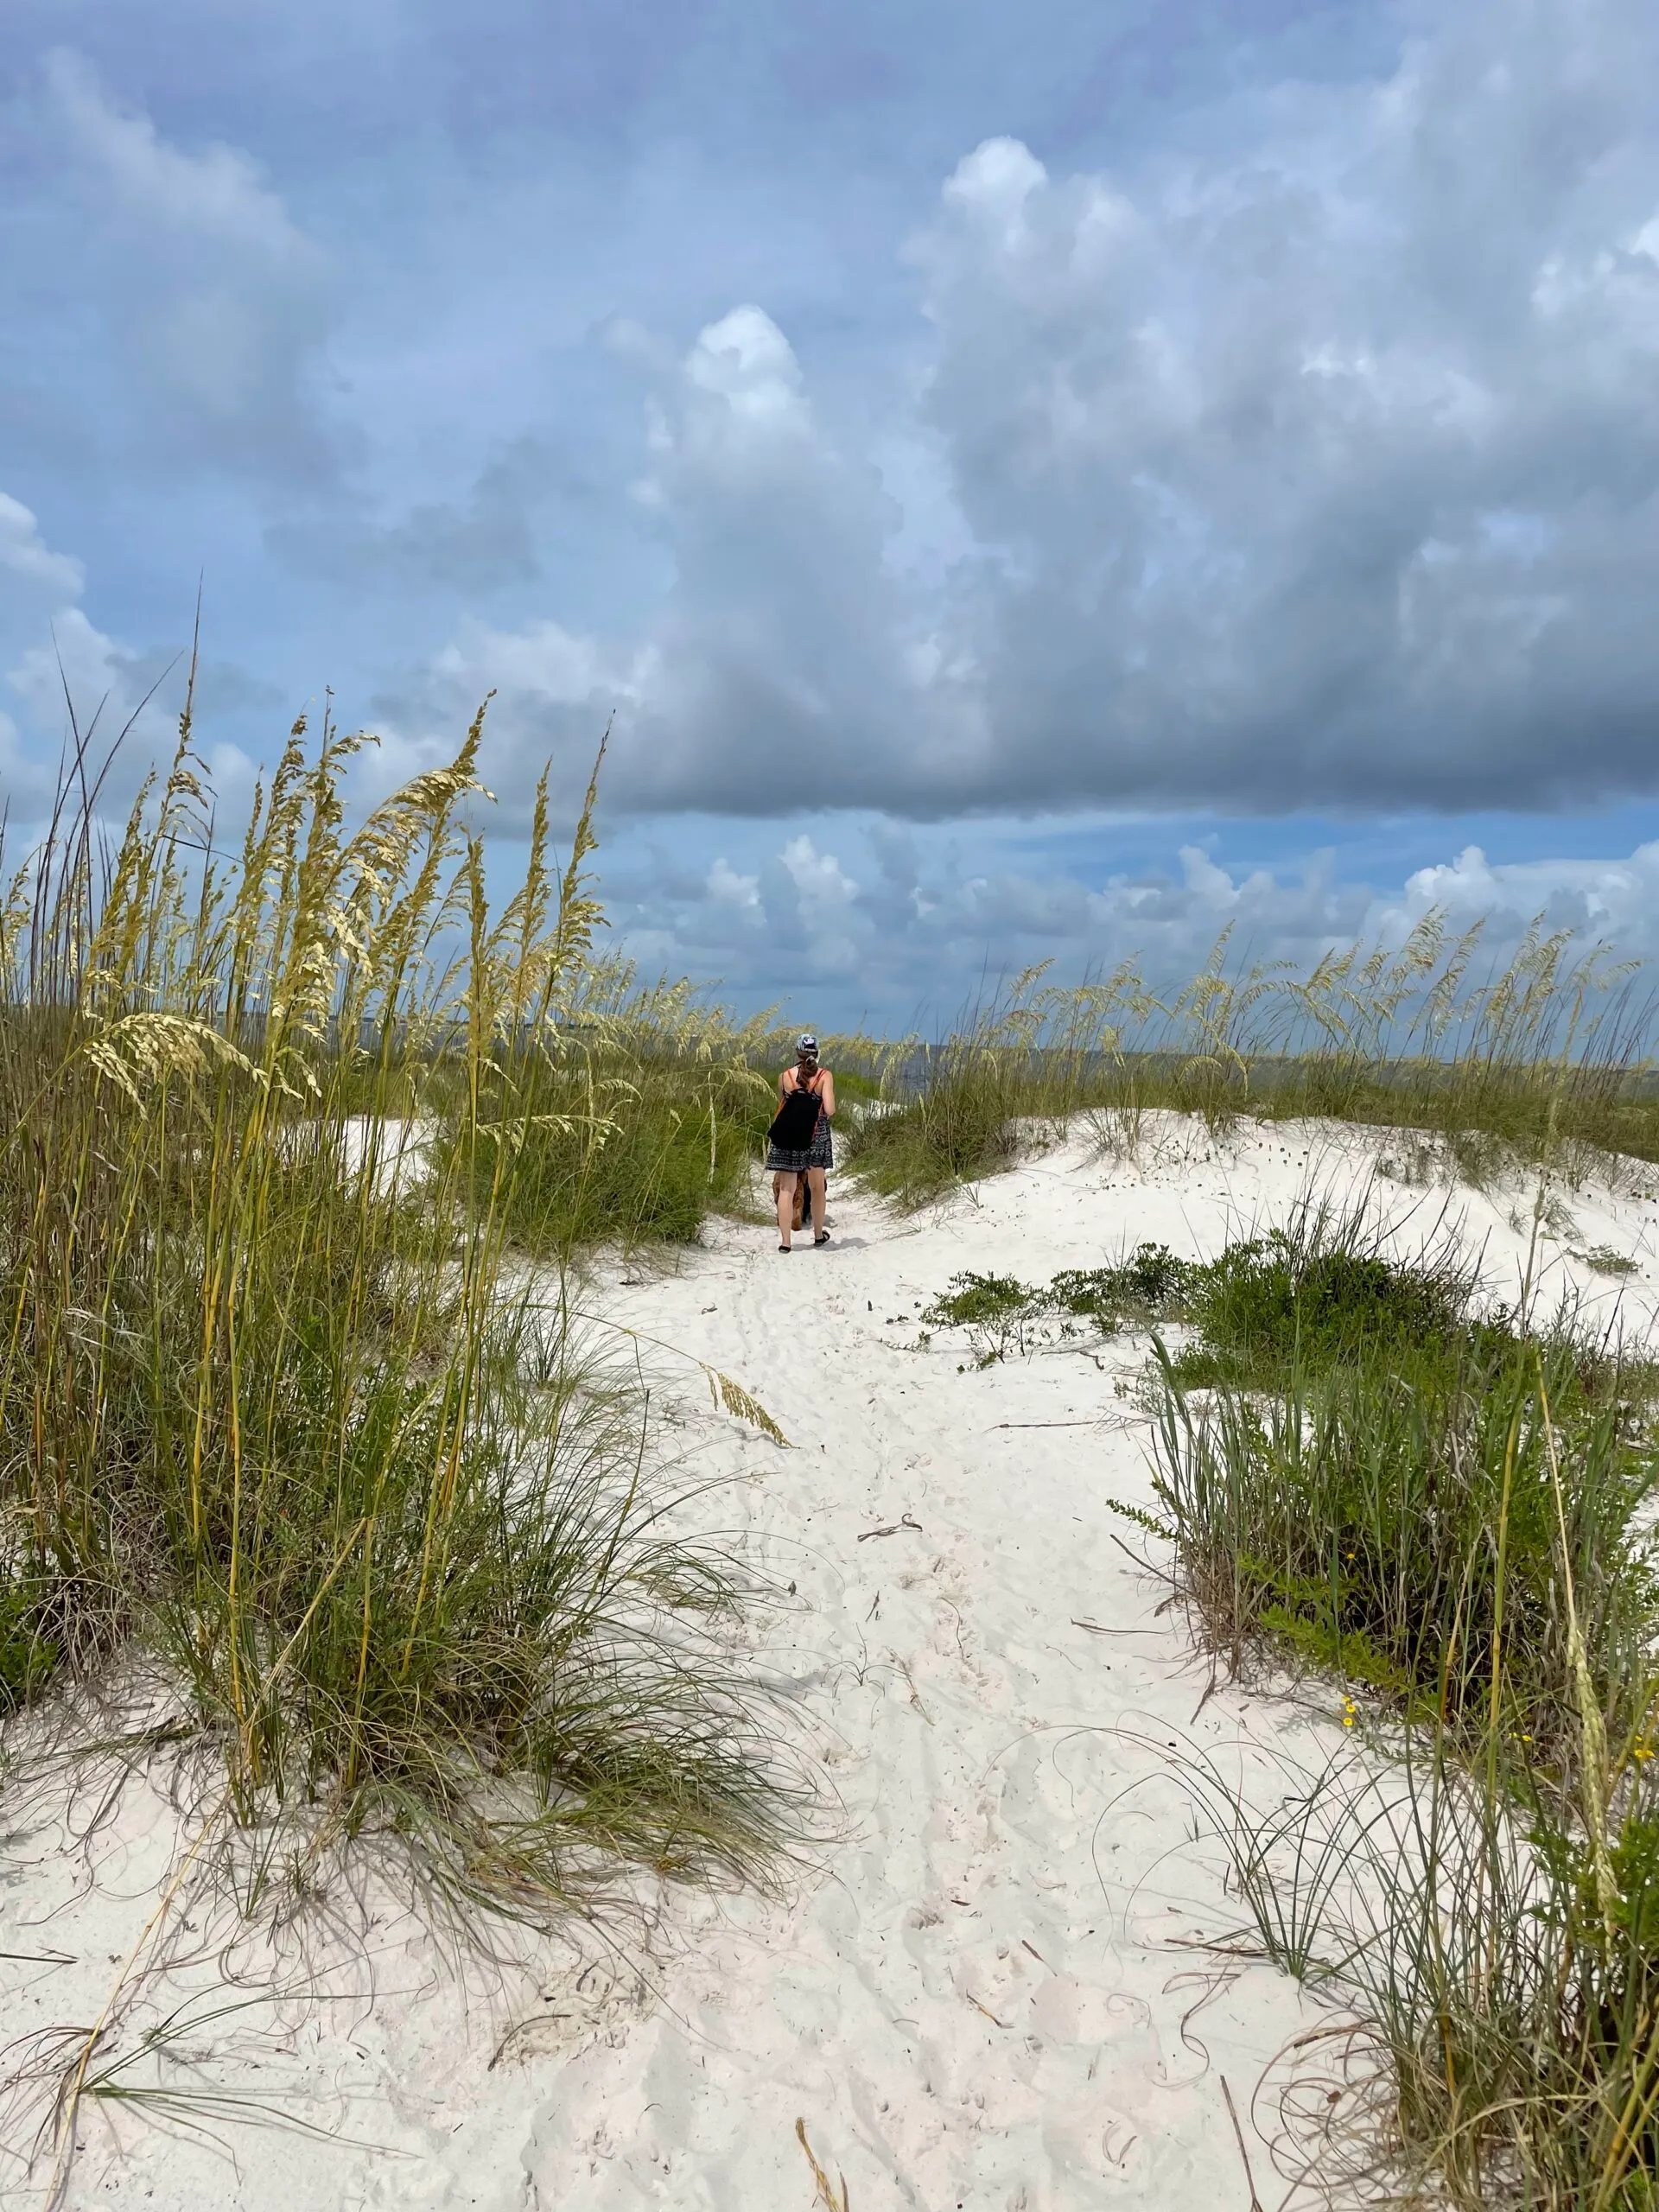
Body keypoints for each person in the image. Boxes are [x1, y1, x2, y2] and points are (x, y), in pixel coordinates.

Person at [766, 1033, 835, 1251]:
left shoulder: (785, 1075)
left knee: (787, 1189)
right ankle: (817, 1236)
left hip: (790, 1135)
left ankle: (786, 1243)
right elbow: (830, 1110)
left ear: (797, 1052)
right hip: (816, 1136)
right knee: (817, 1188)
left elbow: (785, 1105)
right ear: (817, 1052)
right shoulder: (825, 1076)